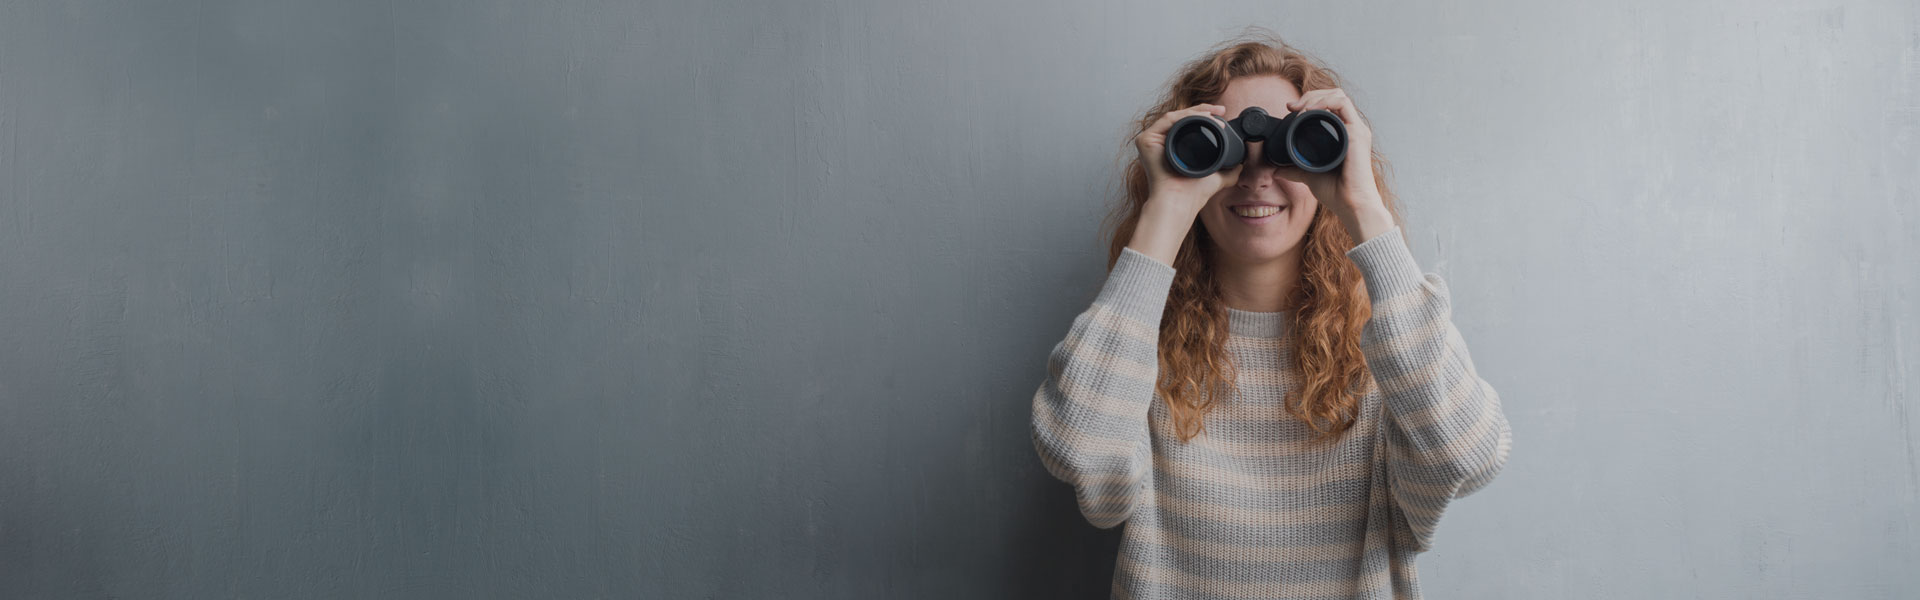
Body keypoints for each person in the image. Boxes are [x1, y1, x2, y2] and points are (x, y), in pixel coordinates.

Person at [1028, 31, 1513, 599]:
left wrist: (1362, 207)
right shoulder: (1134, 350)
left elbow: (1470, 455)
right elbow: (1078, 451)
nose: (1257, 176)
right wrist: (1166, 210)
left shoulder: (1392, 353)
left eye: (1289, 145)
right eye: (1224, 147)